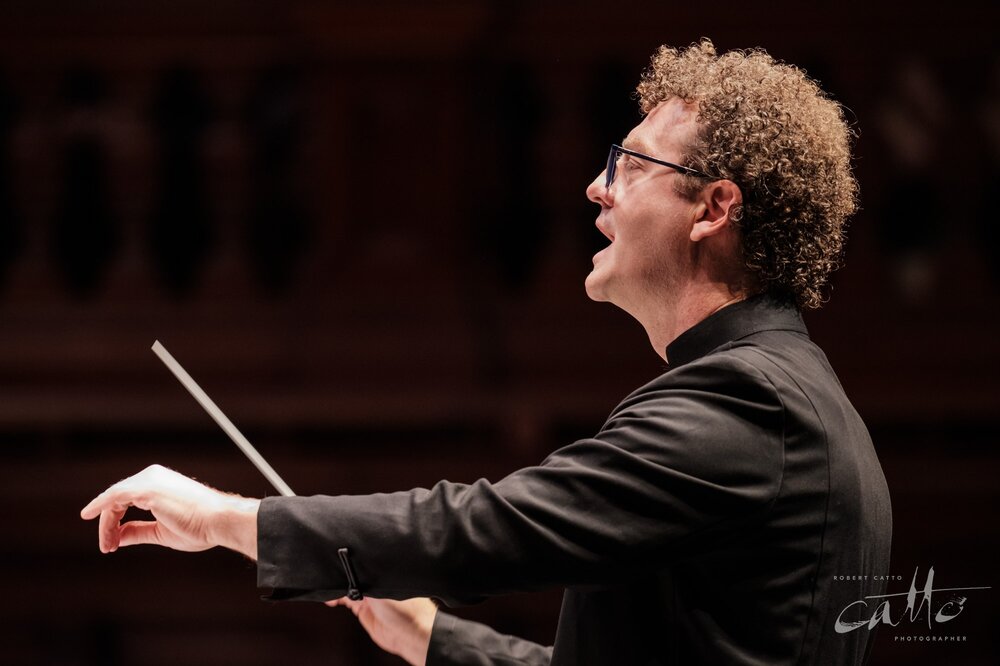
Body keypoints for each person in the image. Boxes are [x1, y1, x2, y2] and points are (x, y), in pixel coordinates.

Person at [81, 40, 892, 665]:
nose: (597, 186)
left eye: (630, 163)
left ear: (714, 208)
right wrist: (433, 637)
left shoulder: (749, 405)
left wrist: (225, 518)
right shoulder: (775, 394)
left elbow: (489, 527)